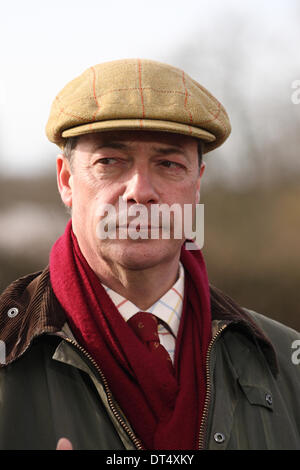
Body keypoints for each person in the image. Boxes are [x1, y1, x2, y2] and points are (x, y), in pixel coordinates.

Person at [0, 59, 299, 451]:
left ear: (196, 188)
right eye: (110, 161)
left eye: (169, 163)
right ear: (67, 180)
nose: (140, 191)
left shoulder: (284, 362)